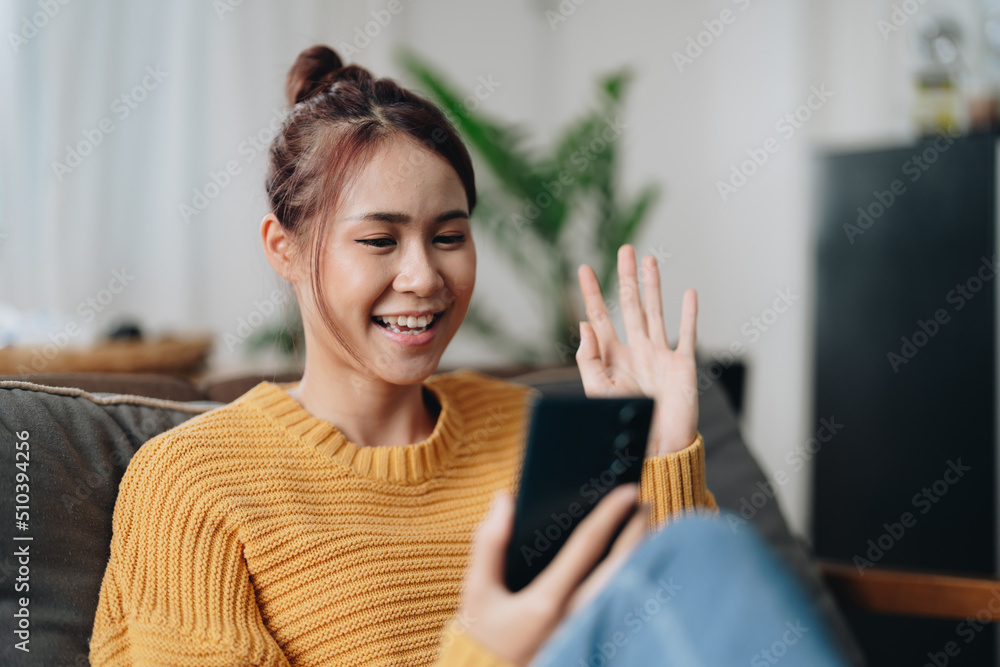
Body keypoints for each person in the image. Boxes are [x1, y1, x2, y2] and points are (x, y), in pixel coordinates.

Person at [88, 45, 844, 666]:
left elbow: (661, 631)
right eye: (380, 240)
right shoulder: (194, 483)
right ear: (283, 250)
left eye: (449, 236)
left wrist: (669, 454)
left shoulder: (526, 429)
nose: (424, 275)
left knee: (703, 549)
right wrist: (484, 649)